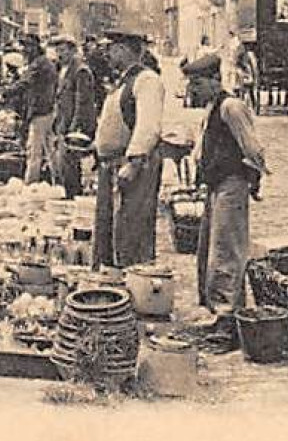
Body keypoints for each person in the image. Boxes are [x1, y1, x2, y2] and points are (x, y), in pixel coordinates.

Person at [183, 54, 268, 316]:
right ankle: (216, 309)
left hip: (232, 184)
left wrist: (252, 180)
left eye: (197, 83)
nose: (193, 90)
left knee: (226, 251)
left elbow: (252, 148)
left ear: (215, 80)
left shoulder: (232, 107)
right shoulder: (213, 107)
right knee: (210, 248)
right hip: (216, 185)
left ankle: (227, 316)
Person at [91, 30, 166, 268]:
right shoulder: (122, 81)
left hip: (133, 165)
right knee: (111, 226)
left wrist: (134, 162)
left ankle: (134, 280)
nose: (108, 54)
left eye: (111, 48)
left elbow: (149, 125)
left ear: (124, 49)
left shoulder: (147, 80)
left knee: (132, 227)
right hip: (112, 164)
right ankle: (114, 276)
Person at [50, 34, 98, 198]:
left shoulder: (81, 71)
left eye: (62, 50)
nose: (59, 54)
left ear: (73, 51)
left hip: (74, 125)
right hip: (64, 122)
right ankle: (70, 192)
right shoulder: (63, 69)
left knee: (70, 161)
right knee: (64, 162)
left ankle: (73, 194)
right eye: (57, 51)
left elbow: (82, 102)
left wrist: (74, 127)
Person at [19, 38, 58, 186]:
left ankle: (30, 182)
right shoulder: (45, 62)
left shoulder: (38, 64)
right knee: (50, 150)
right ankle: (58, 180)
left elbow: (25, 82)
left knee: (34, 149)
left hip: (40, 110)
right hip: (47, 109)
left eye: (27, 47)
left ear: (35, 47)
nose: (24, 51)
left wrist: (3, 94)